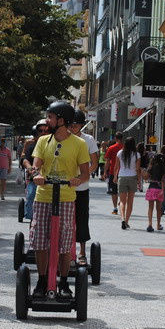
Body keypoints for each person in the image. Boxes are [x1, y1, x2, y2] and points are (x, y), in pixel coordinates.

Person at [30, 101, 89, 298]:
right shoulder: (43, 141)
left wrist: (77, 179)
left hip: (65, 197)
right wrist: (35, 173)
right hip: (43, 196)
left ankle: (63, 282)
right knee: (40, 240)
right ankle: (42, 279)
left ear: (61, 120)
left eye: (50, 117)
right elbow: (36, 164)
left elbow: (86, 174)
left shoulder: (79, 144)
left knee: (64, 243)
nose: (47, 121)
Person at [69, 110, 99, 263]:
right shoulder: (63, 138)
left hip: (81, 187)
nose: (73, 127)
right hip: (64, 187)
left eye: (76, 125)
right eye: (71, 124)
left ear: (81, 125)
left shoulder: (88, 139)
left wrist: (83, 176)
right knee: (63, 221)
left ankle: (81, 252)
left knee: (81, 219)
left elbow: (94, 162)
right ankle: (65, 250)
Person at [20, 119, 48, 222]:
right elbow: (25, 158)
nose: (43, 133)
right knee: (31, 194)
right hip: (35, 178)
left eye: (46, 130)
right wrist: (30, 168)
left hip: (52, 180)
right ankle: (32, 218)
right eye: (40, 131)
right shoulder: (31, 145)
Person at [114, 136, 140, 230]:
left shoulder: (120, 153)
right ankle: (127, 221)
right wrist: (139, 181)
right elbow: (137, 169)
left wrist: (114, 177)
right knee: (130, 201)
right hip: (132, 177)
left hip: (122, 177)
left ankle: (122, 219)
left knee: (122, 201)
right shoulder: (137, 154)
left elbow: (116, 166)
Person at [143, 148, 165, 232]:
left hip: (152, 187)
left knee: (150, 208)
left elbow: (145, 177)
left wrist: (144, 171)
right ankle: (158, 225)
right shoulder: (163, 168)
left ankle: (150, 224)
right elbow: (163, 180)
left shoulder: (151, 167)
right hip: (159, 188)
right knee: (159, 209)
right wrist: (163, 191)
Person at [104, 133, 124, 215]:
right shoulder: (125, 148)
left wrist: (105, 172)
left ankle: (115, 208)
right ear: (122, 138)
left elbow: (108, 161)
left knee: (114, 192)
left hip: (113, 172)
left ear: (115, 138)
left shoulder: (111, 148)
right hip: (123, 172)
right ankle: (121, 203)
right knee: (123, 191)